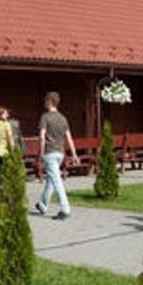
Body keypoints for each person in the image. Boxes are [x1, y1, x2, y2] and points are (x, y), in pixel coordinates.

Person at [33, 91, 79, 220]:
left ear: (50, 102)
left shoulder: (45, 117)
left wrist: (41, 153)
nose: (44, 103)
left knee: (56, 181)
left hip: (50, 152)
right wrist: (74, 154)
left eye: (46, 101)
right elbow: (69, 137)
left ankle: (65, 209)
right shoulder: (63, 118)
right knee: (51, 181)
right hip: (60, 153)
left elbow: (42, 136)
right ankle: (42, 205)